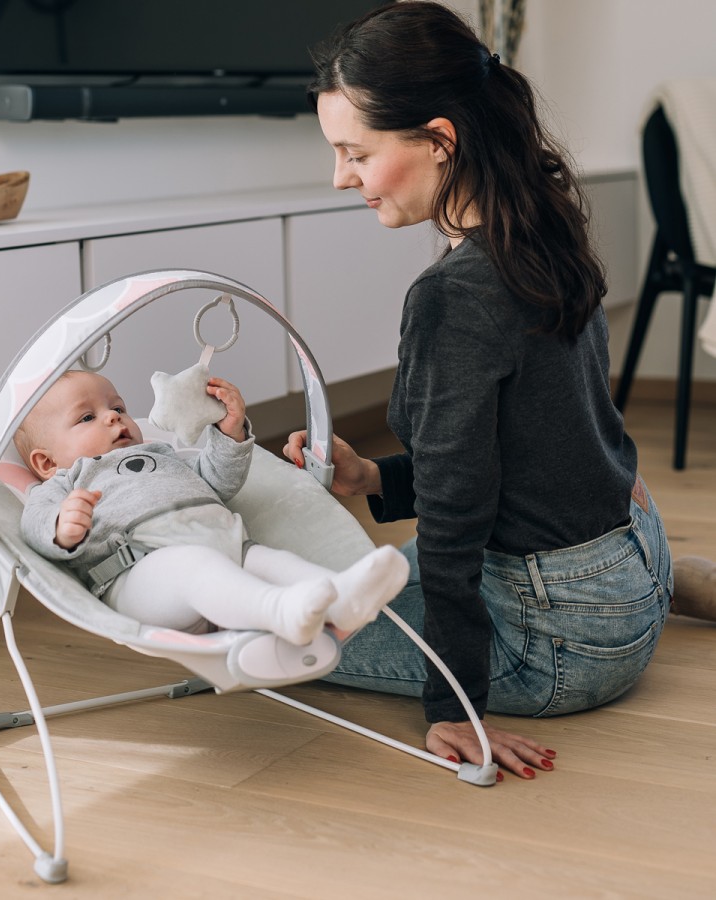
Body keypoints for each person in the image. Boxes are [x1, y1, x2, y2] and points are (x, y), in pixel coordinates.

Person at [283, 1, 673, 780]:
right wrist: (372, 479)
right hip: (631, 549)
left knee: (291, 632)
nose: (340, 177)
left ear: (438, 140)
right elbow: (535, 439)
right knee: (392, 564)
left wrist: (453, 702)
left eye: (355, 152)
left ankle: (627, 616)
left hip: (564, 641)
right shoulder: (544, 226)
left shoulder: (452, 297)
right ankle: (674, 590)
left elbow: (458, 520)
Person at [16, 369, 409, 647]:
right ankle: (279, 612)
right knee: (193, 567)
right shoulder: (67, 484)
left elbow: (218, 481)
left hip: (227, 548)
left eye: (116, 405)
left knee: (270, 560)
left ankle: (341, 597)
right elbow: (33, 522)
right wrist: (62, 527)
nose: (114, 416)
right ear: (46, 463)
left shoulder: (164, 456)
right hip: (141, 575)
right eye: (88, 417)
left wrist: (229, 434)